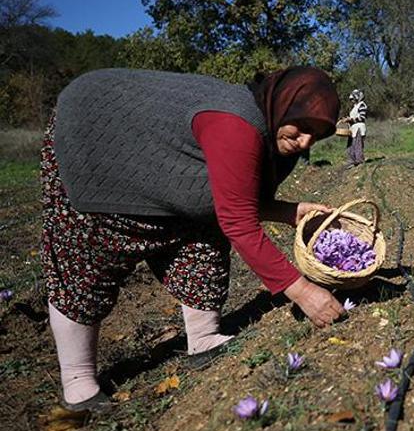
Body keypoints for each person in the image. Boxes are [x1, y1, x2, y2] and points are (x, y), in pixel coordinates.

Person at [43, 66, 347, 411]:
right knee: (90, 255)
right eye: (302, 126)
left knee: (200, 233)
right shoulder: (238, 125)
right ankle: (77, 380)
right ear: (282, 104)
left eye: (316, 136)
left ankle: (203, 339)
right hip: (94, 134)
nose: (305, 141)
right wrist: (303, 291)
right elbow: (239, 222)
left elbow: (233, 196)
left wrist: (291, 212)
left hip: (157, 161)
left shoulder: (271, 131)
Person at [341, 89, 367, 167]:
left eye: (353, 99)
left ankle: (359, 161)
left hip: (359, 128)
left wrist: (351, 119)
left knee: (357, 144)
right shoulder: (355, 106)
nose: (352, 101)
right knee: (350, 145)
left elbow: (362, 118)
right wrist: (347, 120)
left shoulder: (362, 105)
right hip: (353, 129)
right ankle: (351, 160)